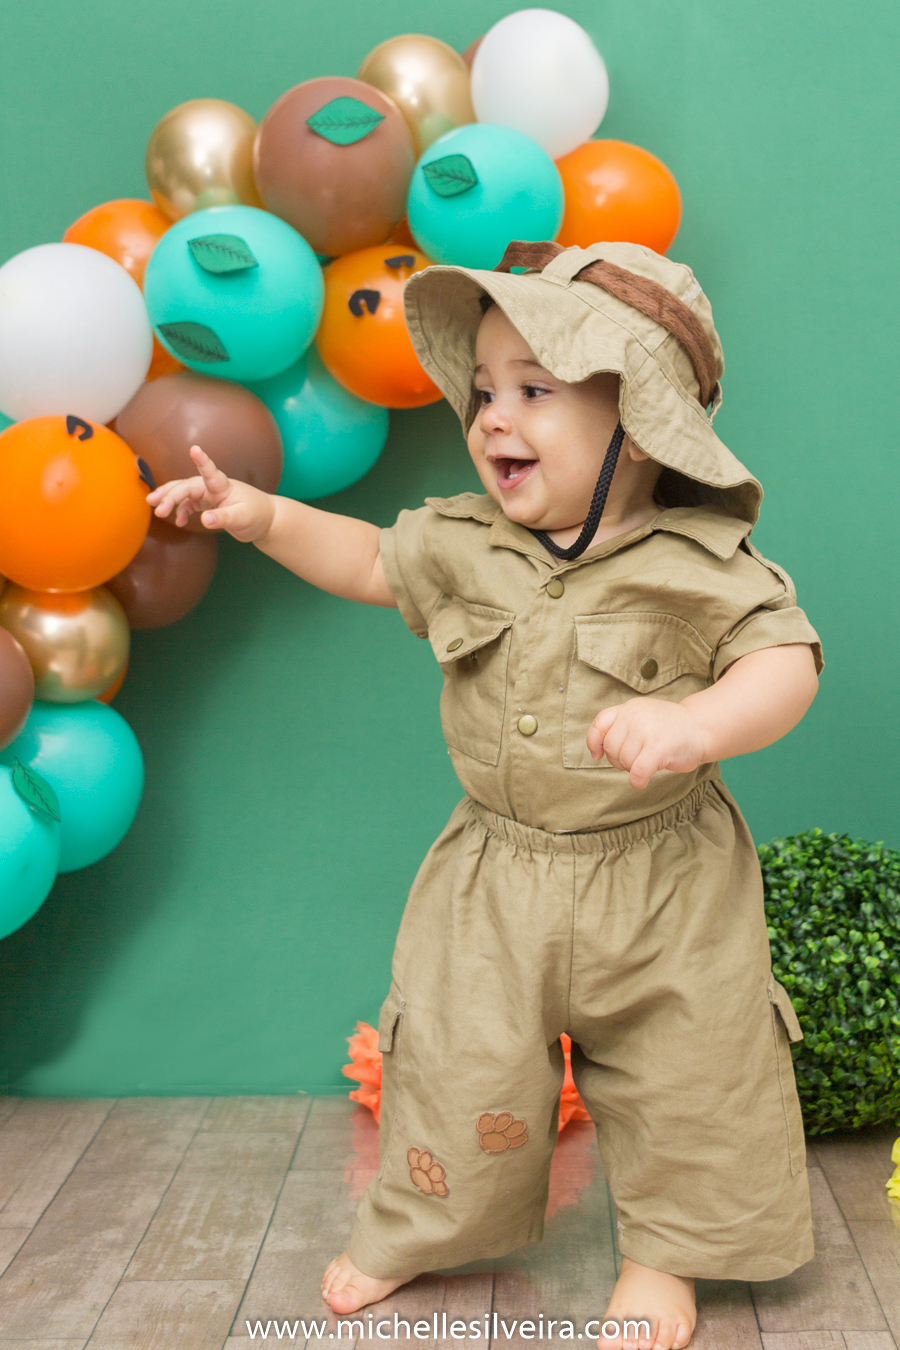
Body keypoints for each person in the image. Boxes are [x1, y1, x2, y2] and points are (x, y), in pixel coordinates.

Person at [146, 240, 822, 1350]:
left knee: (693, 1074)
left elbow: (784, 661)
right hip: (495, 871)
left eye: (534, 391)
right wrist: (263, 516)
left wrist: (696, 724)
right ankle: (416, 1225)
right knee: (456, 1061)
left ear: (639, 422)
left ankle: (666, 1263)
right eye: (483, 391)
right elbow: (371, 561)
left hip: (665, 882)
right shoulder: (467, 541)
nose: (493, 416)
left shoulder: (705, 563)